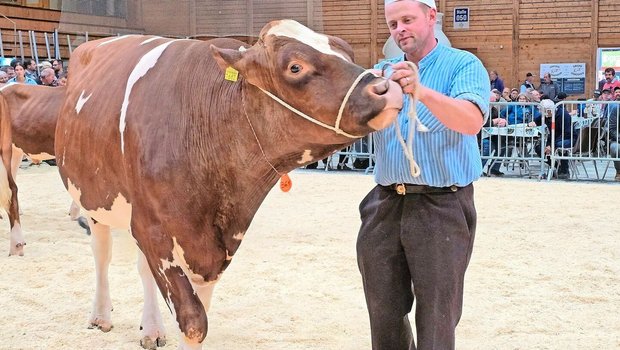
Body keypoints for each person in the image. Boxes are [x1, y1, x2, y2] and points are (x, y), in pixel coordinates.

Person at [357, 0, 489, 349]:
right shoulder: (379, 73)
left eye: (407, 19)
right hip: (384, 204)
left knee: (437, 314)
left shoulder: (463, 64)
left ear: (432, 17)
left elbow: (472, 120)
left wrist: (421, 91)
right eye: (393, 23)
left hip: (442, 204)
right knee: (383, 309)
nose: (399, 29)